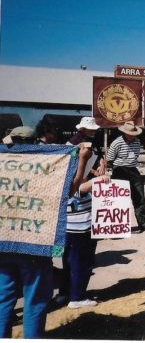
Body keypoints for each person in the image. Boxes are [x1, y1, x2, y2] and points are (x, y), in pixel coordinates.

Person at [0, 126, 52, 338]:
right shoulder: (45, 167)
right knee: (35, 298)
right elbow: (67, 192)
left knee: (3, 298)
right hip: (34, 242)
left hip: (4, 240)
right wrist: (83, 160)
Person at [58, 172, 110, 309]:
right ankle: (77, 297)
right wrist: (100, 179)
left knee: (69, 264)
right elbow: (85, 187)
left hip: (69, 231)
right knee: (82, 265)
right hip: (80, 231)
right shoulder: (76, 188)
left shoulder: (63, 184)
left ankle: (64, 293)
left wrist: (98, 174)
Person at [106, 121, 145, 233]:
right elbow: (109, 159)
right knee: (118, 200)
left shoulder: (137, 142)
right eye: (129, 134)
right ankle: (117, 226)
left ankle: (143, 224)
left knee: (140, 198)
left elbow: (135, 157)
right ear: (124, 133)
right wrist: (116, 170)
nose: (132, 136)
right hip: (119, 170)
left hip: (133, 170)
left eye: (133, 134)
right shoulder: (116, 143)